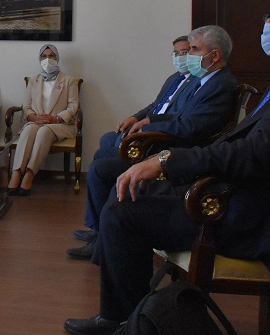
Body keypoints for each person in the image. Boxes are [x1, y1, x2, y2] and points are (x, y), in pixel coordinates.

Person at [64, 0, 270, 335]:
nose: (268, 24)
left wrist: (169, 160)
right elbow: (245, 143)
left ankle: (127, 330)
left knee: (124, 212)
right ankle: (134, 325)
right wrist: (174, 165)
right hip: (258, 199)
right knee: (130, 194)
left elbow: (256, 154)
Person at [67, 28, 238, 260]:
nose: (189, 55)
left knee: (101, 168)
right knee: (102, 164)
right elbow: (173, 115)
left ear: (215, 55)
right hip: (165, 145)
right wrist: (146, 121)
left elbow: (190, 128)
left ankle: (101, 240)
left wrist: (147, 129)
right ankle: (100, 236)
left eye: (194, 49)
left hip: (176, 155)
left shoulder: (220, 84)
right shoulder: (204, 80)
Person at [8, 44, 80, 196]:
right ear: (40, 59)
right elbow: (26, 106)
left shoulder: (69, 80)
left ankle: (29, 174)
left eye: (51, 55)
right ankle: (17, 172)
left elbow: (73, 107)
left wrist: (56, 118)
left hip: (60, 124)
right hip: (36, 122)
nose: (48, 59)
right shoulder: (34, 80)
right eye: (44, 56)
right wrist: (34, 117)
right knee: (29, 129)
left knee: (44, 131)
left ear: (57, 58)